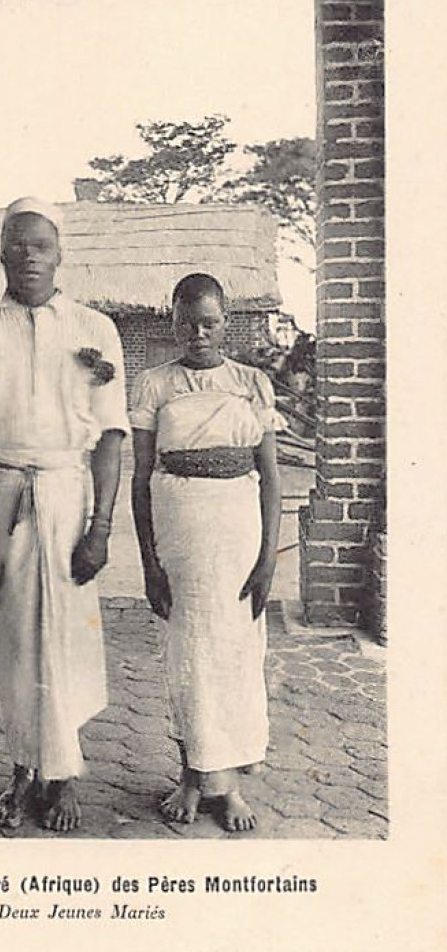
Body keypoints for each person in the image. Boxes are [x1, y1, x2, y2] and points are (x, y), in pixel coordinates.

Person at [0, 197, 128, 832]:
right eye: (16, 246)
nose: (28, 257)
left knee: (69, 639)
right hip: (0, 499)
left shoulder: (96, 331)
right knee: (14, 645)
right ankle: (22, 773)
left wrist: (100, 529)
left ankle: (64, 775)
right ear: (0, 255)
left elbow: (112, 436)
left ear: (60, 253)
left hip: (69, 501)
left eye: (40, 246)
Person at [130, 273, 284, 831]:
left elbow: (270, 477)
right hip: (180, 533)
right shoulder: (154, 385)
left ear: (226, 323)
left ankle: (230, 787)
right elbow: (141, 476)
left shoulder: (251, 384)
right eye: (187, 321)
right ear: (171, 321)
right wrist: (149, 563)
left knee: (236, 655)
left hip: (238, 532)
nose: (198, 333)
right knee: (189, 654)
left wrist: (269, 558)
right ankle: (190, 779)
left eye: (210, 322)